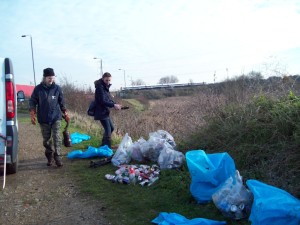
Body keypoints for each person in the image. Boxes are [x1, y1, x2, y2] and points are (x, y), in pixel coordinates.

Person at [29, 68, 70, 167]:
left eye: (52, 77)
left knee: (57, 137)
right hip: (43, 119)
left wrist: (65, 112)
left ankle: (58, 158)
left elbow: (62, 102)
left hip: (56, 117)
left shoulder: (57, 88)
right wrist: (32, 112)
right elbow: (32, 101)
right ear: (44, 78)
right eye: (49, 78)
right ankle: (49, 156)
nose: (51, 79)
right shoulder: (38, 89)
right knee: (46, 140)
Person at [94, 72, 122, 148]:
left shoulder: (105, 87)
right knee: (108, 130)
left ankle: (103, 145)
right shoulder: (100, 87)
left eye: (109, 80)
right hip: (101, 112)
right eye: (106, 80)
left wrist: (115, 104)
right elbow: (102, 101)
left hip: (105, 111)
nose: (108, 82)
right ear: (103, 79)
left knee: (111, 128)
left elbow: (108, 99)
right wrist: (113, 105)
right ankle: (107, 147)